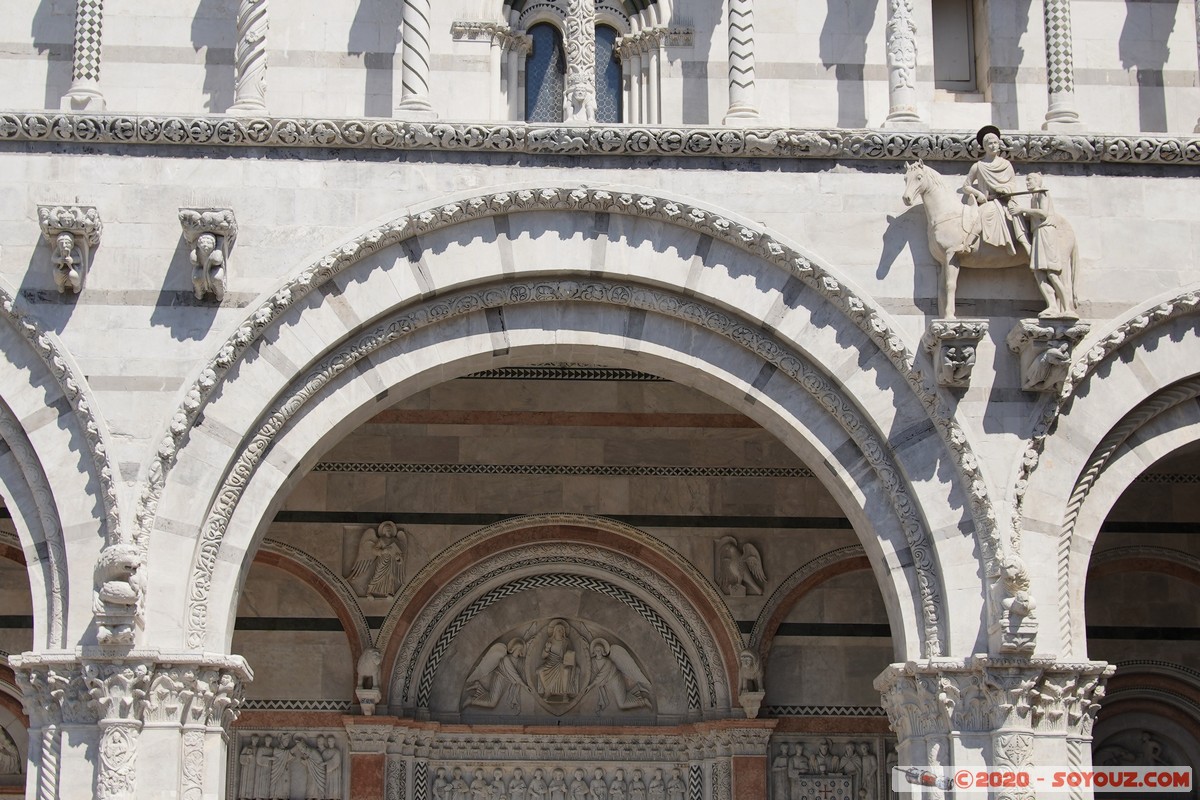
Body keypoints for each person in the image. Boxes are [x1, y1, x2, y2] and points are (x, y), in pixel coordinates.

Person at [1012, 172, 1077, 317]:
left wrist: (1023, 210)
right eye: (1026, 180)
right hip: (1038, 234)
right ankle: (1052, 306)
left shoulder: (1043, 193)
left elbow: (1044, 213)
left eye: (1029, 180)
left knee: (1052, 274)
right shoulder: (1034, 197)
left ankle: (1067, 308)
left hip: (1046, 234)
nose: (1027, 183)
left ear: (1037, 181)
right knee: (1038, 272)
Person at [962, 126, 1029, 255]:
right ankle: (968, 243)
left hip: (1005, 200)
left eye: (995, 143)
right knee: (985, 212)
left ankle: (1024, 245)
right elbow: (966, 186)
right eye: (989, 144)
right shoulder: (978, 166)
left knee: (1013, 215)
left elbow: (1012, 184)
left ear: (999, 145)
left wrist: (1004, 189)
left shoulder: (1006, 164)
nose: (993, 146)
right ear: (984, 147)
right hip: (989, 201)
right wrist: (978, 194)